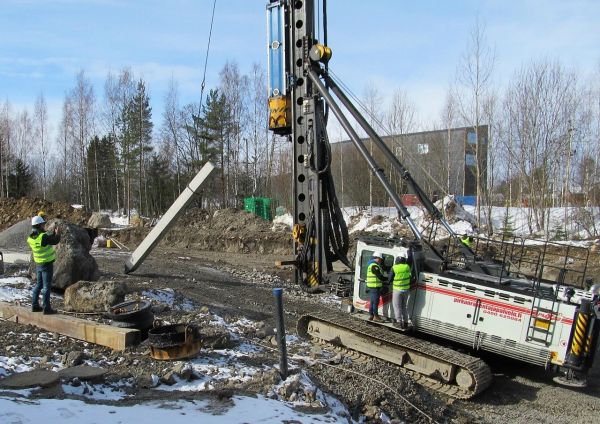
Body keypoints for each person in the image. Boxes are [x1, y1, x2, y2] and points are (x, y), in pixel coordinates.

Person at [27, 215, 60, 314]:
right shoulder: (43, 237)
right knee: (46, 287)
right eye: (42, 224)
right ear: (39, 225)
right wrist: (57, 234)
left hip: (39, 264)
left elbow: (44, 238)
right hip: (47, 264)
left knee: (38, 285)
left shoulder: (31, 237)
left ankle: (35, 306)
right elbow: (55, 241)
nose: (43, 226)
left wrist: (50, 234)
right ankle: (47, 308)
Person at [388, 256, 412, 329]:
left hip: (397, 290)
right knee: (404, 306)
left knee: (397, 306)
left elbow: (390, 278)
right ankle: (405, 323)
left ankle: (399, 322)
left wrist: (388, 282)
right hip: (406, 290)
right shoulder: (407, 266)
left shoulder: (394, 267)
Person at [366, 251, 386, 321]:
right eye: (380, 259)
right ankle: (376, 316)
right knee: (375, 302)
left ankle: (371, 315)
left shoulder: (371, 265)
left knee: (372, 301)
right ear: (378, 258)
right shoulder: (374, 266)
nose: (380, 261)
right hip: (375, 286)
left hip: (373, 286)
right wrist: (387, 279)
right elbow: (379, 276)